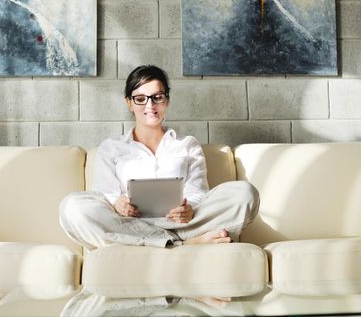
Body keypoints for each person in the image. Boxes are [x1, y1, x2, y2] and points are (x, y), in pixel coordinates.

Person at [59, 65, 259, 249]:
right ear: (129, 103)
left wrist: (188, 209)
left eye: (157, 97)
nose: (150, 105)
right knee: (73, 207)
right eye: (140, 98)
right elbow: (104, 194)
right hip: (129, 225)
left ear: (167, 100)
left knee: (245, 193)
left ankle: (158, 242)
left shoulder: (187, 144)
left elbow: (198, 193)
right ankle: (181, 245)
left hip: (184, 225)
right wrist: (117, 204)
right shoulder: (111, 148)